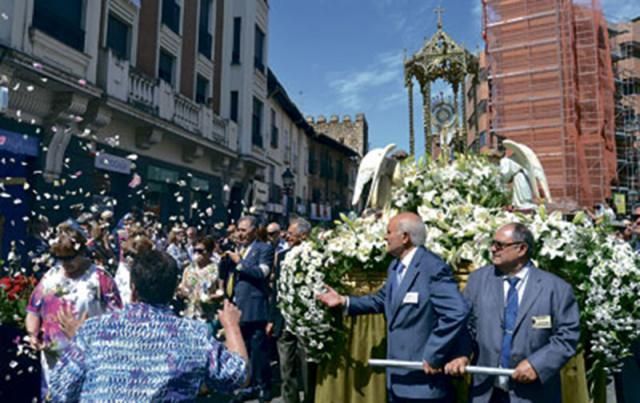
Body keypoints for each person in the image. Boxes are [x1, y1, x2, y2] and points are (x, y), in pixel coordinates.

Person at [48, 249, 249, 401]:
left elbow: (60, 390)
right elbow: (238, 375)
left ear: (133, 289)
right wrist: (231, 326)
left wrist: (79, 342)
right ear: (172, 291)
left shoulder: (93, 330)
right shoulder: (194, 334)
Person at [317, 212, 469, 403]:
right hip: (398, 381)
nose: (385, 237)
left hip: (424, 384)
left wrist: (434, 354)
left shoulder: (433, 268)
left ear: (405, 237)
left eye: (389, 232)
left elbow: (457, 312)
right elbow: (382, 300)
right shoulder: (396, 266)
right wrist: (344, 301)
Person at [444, 223, 580, 403]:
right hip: (486, 392)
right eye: (492, 244)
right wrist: (461, 354)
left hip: (533, 394)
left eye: (499, 245)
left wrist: (537, 365)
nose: (493, 249)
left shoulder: (556, 289)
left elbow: (567, 337)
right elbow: (466, 327)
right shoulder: (478, 281)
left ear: (521, 249)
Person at [25, 221, 122, 398]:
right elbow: (33, 308)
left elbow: (118, 320)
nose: (65, 263)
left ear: (82, 252)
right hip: (53, 361)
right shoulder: (51, 276)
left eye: (70, 257)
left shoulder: (100, 278)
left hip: (87, 359)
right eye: (60, 258)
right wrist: (32, 334)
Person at [225, 216, 274, 402]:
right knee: (241, 348)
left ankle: (263, 385)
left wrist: (241, 263)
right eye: (239, 229)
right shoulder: (239, 249)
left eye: (244, 230)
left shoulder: (264, 248)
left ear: (254, 230)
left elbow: (263, 273)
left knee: (258, 349)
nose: (240, 234)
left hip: (255, 306)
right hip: (238, 305)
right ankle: (247, 385)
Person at [270, 218, 314, 403]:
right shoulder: (281, 257)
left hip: (306, 321)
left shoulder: (315, 256)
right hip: (284, 320)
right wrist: (272, 319)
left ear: (303, 236)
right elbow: (276, 290)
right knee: (286, 369)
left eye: (291, 233)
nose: (286, 236)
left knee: (307, 368)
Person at [177, 236, 224, 320]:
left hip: (207, 315)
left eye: (200, 251)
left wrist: (210, 297)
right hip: (189, 314)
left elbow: (221, 292)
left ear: (209, 253)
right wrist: (181, 292)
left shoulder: (216, 269)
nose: (197, 254)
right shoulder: (188, 269)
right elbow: (182, 287)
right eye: (195, 251)